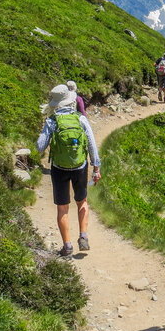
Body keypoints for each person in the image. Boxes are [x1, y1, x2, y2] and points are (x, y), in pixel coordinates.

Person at [37, 85, 102, 257]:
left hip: (59, 168)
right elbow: (92, 144)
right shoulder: (80, 119)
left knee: (62, 208)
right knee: (82, 202)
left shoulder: (51, 121)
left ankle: (67, 246)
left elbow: (39, 146)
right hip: (80, 167)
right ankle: (84, 236)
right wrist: (96, 167)